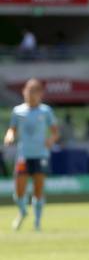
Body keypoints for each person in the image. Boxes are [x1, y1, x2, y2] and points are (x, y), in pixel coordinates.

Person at [3, 79, 59, 230]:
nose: (31, 95)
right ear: (24, 92)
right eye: (29, 91)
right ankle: (22, 211)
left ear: (40, 94)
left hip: (41, 155)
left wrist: (51, 140)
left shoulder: (46, 111)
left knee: (38, 189)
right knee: (19, 190)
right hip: (23, 155)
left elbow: (55, 132)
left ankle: (37, 222)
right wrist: (9, 136)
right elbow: (12, 129)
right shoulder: (18, 111)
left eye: (35, 91)